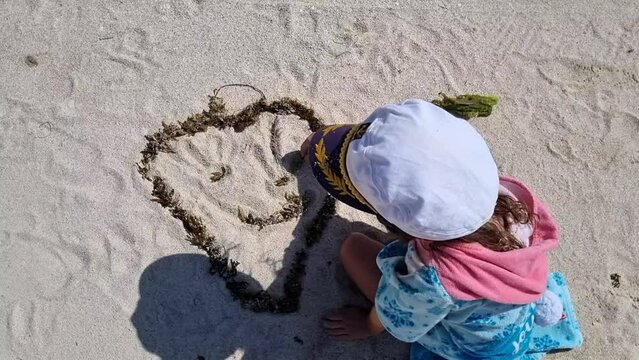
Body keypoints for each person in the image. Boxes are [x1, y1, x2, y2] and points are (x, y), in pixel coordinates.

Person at [300, 99, 582, 359]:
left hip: (470, 347)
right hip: (511, 303)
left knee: (353, 248)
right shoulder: (509, 200)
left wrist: (368, 325)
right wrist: (319, 146)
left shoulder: (431, 280)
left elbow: (400, 318)